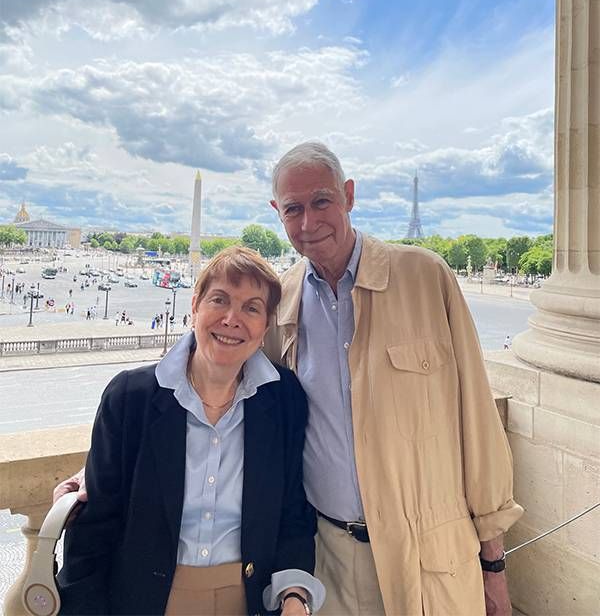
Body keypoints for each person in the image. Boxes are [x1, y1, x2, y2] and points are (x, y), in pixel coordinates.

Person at [56, 142, 522, 616]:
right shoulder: (284, 301)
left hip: (426, 555)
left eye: (321, 201)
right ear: (277, 212)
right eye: (293, 209)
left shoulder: (426, 277)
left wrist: (493, 564)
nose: (308, 223)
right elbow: (235, 390)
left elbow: (477, 423)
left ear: (349, 196)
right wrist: (99, 468)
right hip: (328, 558)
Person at [57, 246, 324, 616]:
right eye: (220, 300)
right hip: (144, 601)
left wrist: (294, 594)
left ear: (266, 326)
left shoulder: (284, 400)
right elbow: (93, 531)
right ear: (194, 305)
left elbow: (293, 511)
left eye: (251, 307)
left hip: (248, 599)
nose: (232, 319)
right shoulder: (129, 398)